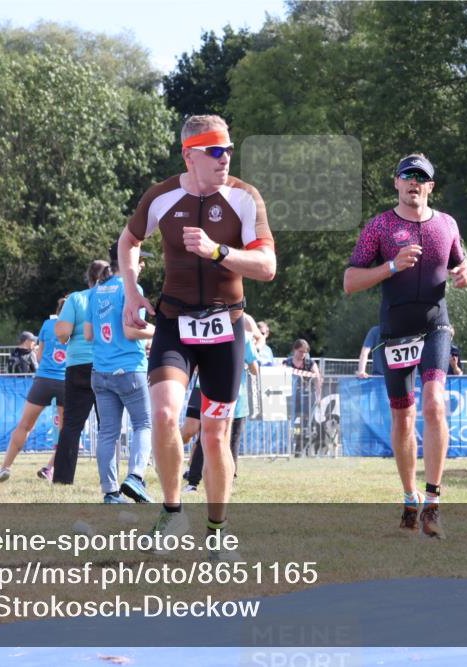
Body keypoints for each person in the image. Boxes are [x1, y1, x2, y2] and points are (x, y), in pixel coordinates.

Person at [119, 114, 276, 546]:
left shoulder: (245, 198)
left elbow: (267, 267)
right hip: (174, 322)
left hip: (226, 327)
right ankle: (172, 513)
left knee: (214, 431)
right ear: (189, 155)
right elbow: (128, 241)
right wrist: (132, 293)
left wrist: (218, 251)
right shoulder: (161, 197)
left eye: (228, 149)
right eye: (215, 151)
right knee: (166, 413)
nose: (225, 158)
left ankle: (217, 531)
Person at [344, 152, 467, 538]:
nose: (414, 182)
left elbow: (460, 266)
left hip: (436, 325)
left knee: (434, 404)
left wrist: (466, 274)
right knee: (403, 417)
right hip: (395, 330)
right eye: (407, 176)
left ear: (430, 186)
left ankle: (434, 503)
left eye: (422, 177)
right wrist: (392, 266)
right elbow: (350, 281)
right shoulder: (379, 227)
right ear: (397, 183)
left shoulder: (447, 224)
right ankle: (409, 497)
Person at [83, 243, 156, 504]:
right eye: (141, 259)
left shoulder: (95, 291)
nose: (143, 265)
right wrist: (160, 332)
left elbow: (89, 334)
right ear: (129, 260)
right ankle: (136, 477)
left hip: (101, 372)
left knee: (107, 433)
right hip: (129, 369)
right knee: (144, 424)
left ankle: (111, 493)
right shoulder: (132, 288)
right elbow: (131, 331)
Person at [0, 298, 68, 483]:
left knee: (25, 426)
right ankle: (50, 469)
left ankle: (5, 468)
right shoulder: (77, 328)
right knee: (67, 431)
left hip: (42, 380)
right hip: (66, 382)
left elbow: (39, 355)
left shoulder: (48, 324)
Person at [52, 260, 112, 485]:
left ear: (88, 278)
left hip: (78, 365)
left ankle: (62, 479)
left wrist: (62, 333)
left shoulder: (76, 298)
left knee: (71, 425)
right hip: (106, 363)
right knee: (108, 426)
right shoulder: (114, 297)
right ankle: (109, 479)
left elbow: (63, 332)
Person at [184, 331, 259, 491]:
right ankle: (224, 480)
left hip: (213, 395)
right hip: (234, 398)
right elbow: (254, 368)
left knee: (206, 439)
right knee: (230, 443)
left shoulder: (212, 331)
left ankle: (194, 482)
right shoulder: (244, 337)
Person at [283, 339, 323, 456]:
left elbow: (317, 379)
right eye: (300, 351)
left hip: (307, 398)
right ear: (294, 350)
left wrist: (318, 396)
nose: (302, 354)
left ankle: (299, 450)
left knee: (305, 425)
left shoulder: (311, 363)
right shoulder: (287, 363)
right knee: (289, 423)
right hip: (290, 399)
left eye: (305, 352)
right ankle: (287, 448)